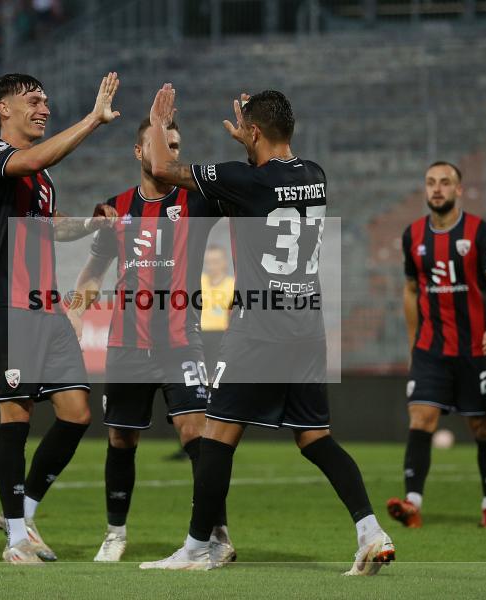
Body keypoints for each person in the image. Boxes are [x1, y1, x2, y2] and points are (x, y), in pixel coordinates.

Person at [138, 85, 395, 575]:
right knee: (315, 437)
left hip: (258, 330)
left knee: (216, 436)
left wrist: (157, 122)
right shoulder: (315, 175)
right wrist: (250, 144)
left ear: (253, 131)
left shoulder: (244, 179)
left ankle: (196, 548)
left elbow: (163, 169)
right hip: (308, 329)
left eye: (247, 131)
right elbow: (267, 183)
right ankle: (370, 531)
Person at [67, 117, 234, 564]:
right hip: (126, 344)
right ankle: (115, 533)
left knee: (196, 433)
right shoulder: (116, 208)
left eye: (175, 145)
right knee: (121, 439)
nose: (170, 152)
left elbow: (245, 194)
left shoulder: (197, 201)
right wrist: (77, 311)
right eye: (161, 143)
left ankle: (216, 534)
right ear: (139, 152)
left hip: (181, 340)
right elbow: (94, 272)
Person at [0, 72, 120, 564]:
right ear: (4, 109)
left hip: (45, 307)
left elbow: (50, 227)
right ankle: (16, 541)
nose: (44, 108)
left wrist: (91, 224)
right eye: (34, 100)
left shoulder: (42, 180)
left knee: (77, 413)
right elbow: (34, 158)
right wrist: (93, 120)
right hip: (6, 305)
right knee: (16, 416)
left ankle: (23, 512)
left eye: (46, 101)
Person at [386, 161, 486, 529]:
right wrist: (413, 343)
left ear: (459, 190)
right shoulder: (413, 236)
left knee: (483, 426)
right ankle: (412, 504)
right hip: (431, 349)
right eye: (430, 183)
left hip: (475, 349)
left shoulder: (479, 231)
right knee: (420, 417)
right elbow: (411, 291)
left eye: (445, 182)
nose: (437, 189)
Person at [199, 244, 234, 367]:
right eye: (208, 262)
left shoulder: (233, 285)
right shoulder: (199, 282)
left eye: (215, 262)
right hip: (199, 335)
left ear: (225, 262)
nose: (211, 266)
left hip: (221, 336)